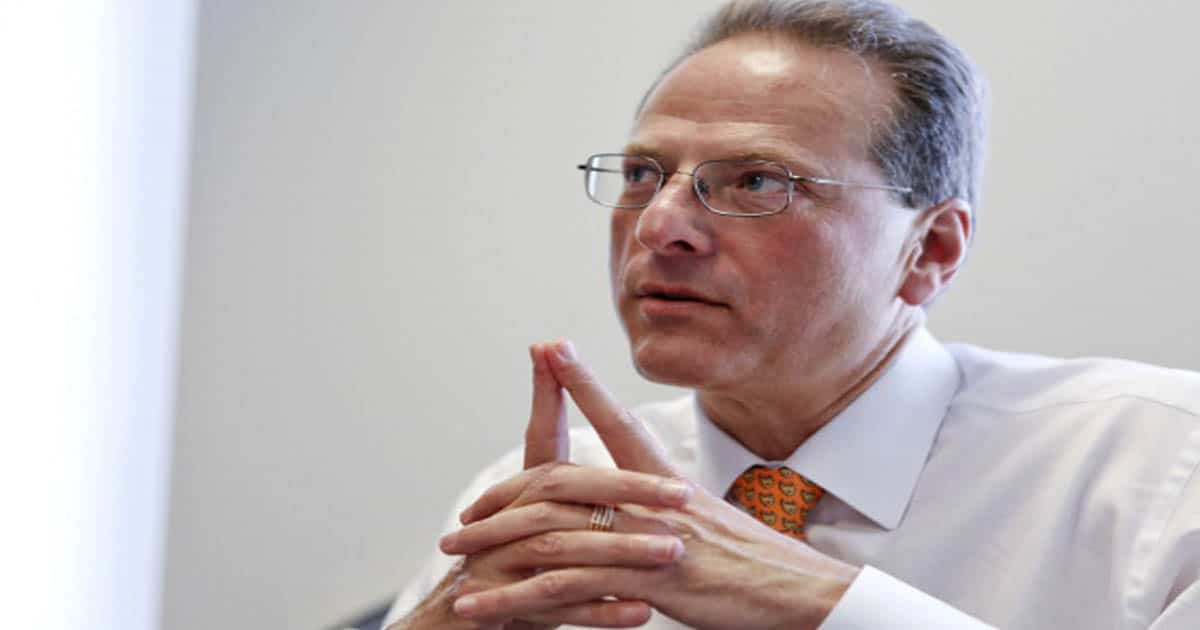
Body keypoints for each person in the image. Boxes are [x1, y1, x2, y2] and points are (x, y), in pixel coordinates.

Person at [383, 1, 1200, 628]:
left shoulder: (1160, 468)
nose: (659, 225)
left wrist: (828, 603)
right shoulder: (551, 500)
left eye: (757, 182)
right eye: (642, 173)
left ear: (932, 250)